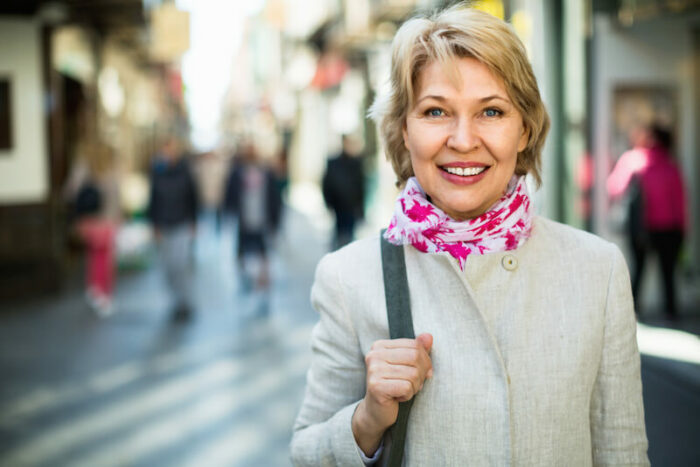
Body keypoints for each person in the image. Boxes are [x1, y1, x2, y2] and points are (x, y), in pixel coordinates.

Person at [291, 6, 649, 466]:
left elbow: (623, 453)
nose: (463, 140)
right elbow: (304, 453)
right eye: (436, 110)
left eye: (492, 111)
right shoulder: (348, 277)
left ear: (524, 129)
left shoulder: (596, 271)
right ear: (405, 129)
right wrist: (366, 420)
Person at [608, 125, 687, 319]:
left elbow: (614, 188)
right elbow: (680, 201)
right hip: (669, 227)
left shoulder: (632, 160)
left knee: (638, 270)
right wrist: (683, 229)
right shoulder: (670, 164)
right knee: (667, 273)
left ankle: (632, 313)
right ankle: (671, 312)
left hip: (640, 227)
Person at [65, 141, 121, 317]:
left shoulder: (83, 168)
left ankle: (94, 289)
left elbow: (69, 192)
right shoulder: (111, 170)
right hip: (106, 222)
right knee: (106, 260)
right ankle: (104, 295)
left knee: (93, 257)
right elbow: (116, 198)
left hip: (88, 222)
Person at [147, 136, 199, 321]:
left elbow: (193, 198)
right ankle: (176, 301)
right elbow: (153, 200)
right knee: (168, 267)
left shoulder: (185, 172)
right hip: (164, 225)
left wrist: (193, 222)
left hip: (182, 224)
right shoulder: (157, 173)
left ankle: (185, 302)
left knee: (181, 264)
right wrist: (154, 224)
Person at [224, 143, 282, 292]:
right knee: (242, 251)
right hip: (244, 220)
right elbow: (230, 194)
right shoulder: (237, 173)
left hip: (261, 219)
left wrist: (275, 220)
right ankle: (246, 277)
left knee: (263, 251)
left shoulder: (266, 173)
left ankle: (262, 279)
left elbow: (274, 198)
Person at [322, 134, 366, 249]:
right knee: (340, 234)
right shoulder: (334, 163)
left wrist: (361, 209)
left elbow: (360, 187)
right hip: (338, 206)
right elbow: (327, 183)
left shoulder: (356, 163)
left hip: (351, 207)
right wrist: (328, 202)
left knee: (348, 236)